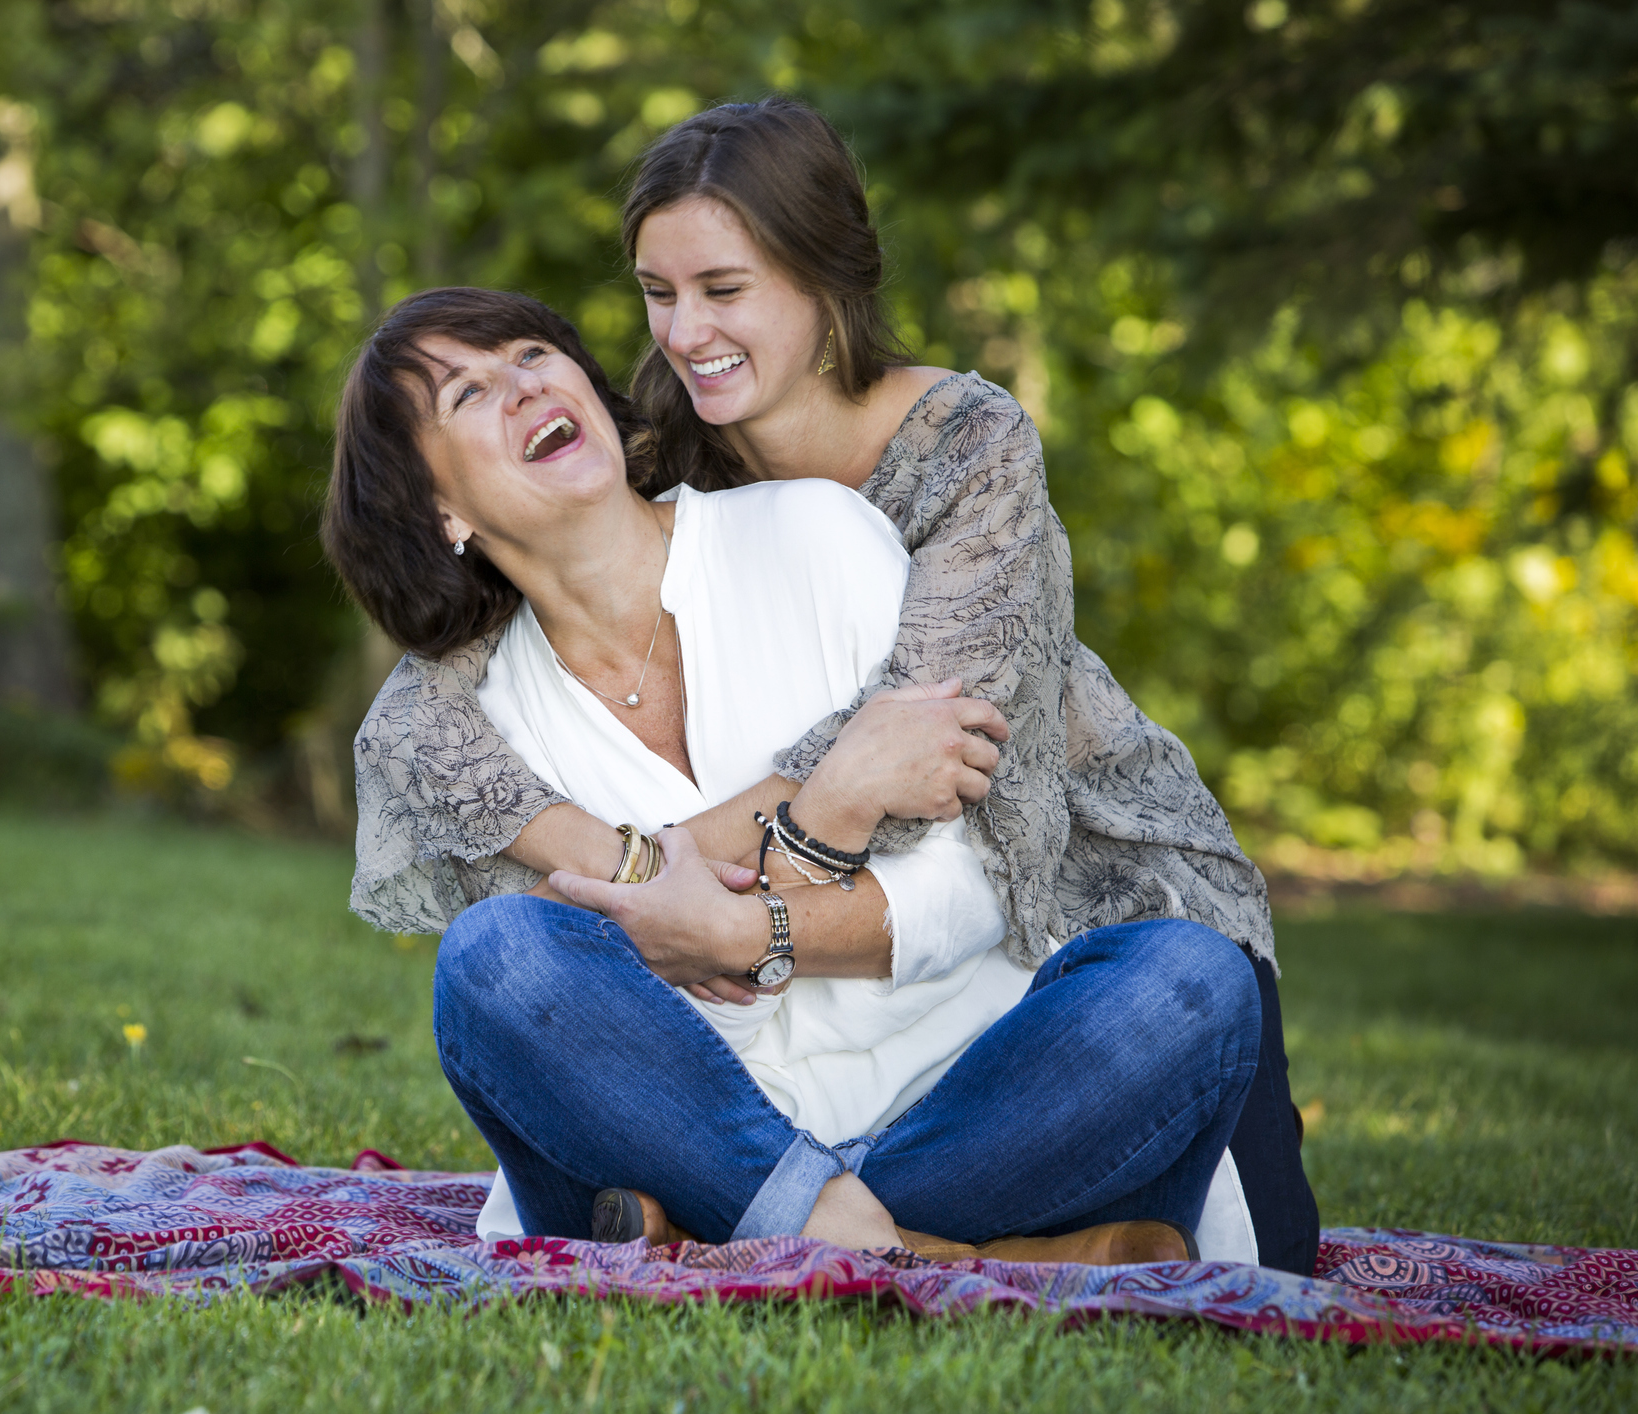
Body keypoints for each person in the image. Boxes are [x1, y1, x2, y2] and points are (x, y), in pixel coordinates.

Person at [344, 97, 1320, 1273]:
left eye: (723, 288)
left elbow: (978, 826)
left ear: (821, 283)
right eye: (659, 296)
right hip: (727, 1100)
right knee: (499, 956)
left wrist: (721, 912)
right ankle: (926, 1242)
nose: (683, 331)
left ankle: (754, 1232)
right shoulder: (660, 449)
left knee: (1189, 991)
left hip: (1076, 886)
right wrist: (821, 809)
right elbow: (551, 949)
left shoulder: (902, 490)